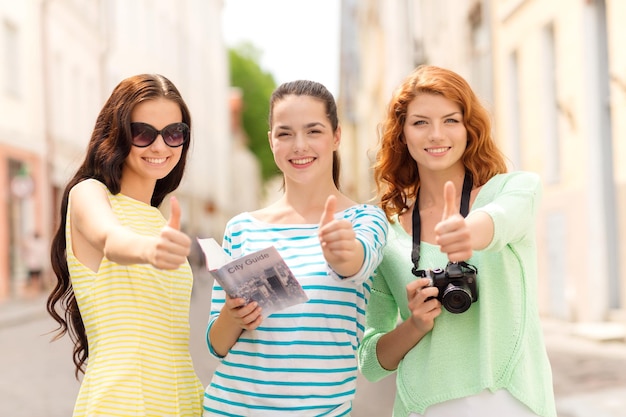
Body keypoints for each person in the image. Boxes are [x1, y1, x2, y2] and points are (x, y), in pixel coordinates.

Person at [357, 65, 557, 417]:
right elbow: (372, 362)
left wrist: (468, 232)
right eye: (420, 122)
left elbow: (501, 219)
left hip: (512, 403)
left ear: (469, 128)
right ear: (401, 134)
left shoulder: (515, 189)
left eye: (451, 120)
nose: (436, 134)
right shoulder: (385, 234)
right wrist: (415, 323)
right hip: (422, 406)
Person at [202, 80, 388, 416]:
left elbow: (355, 263)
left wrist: (342, 252)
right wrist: (233, 316)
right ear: (271, 140)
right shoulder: (242, 228)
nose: (299, 146)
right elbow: (217, 345)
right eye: (285, 133)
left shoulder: (365, 221)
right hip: (229, 409)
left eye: (313, 131)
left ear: (336, 136)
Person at [46, 74, 204, 416]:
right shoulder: (90, 194)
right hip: (125, 400)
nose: (160, 146)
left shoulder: (158, 220)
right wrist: (149, 251)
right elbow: (110, 238)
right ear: (116, 134)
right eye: (143, 133)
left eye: (174, 133)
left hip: (183, 399)